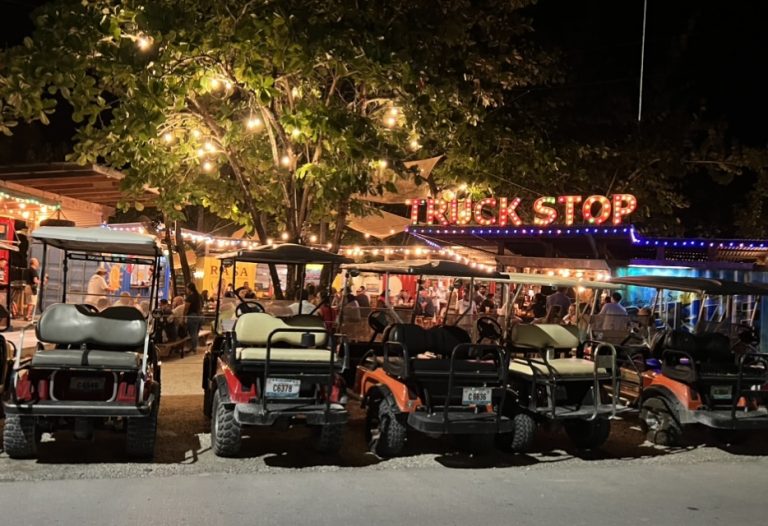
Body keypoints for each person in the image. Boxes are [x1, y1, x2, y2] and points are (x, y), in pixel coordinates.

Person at [184, 282, 202, 355]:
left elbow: (186, 308)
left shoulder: (190, 297)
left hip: (191, 316)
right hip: (198, 316)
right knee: (195, 332)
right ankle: (194, 347)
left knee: (193, 333)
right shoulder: (198, 296)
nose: (186, 290)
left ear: (189, 289)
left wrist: (184, 316)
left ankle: (194, 348)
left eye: (187, 288)